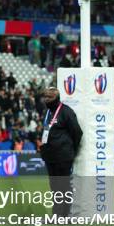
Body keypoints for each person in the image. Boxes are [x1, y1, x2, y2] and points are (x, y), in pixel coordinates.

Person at [39, 87, 83, 217]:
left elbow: (77, 132)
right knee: (54, 187)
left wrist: (70, 149)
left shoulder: (66, 112)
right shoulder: (47, 112)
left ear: (56, 98)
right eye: (45, 97)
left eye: (49, 97)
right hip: (50, 156)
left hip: (63, 156)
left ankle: (65, 214)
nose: (46, 99)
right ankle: (56, 215)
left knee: (63, 186)